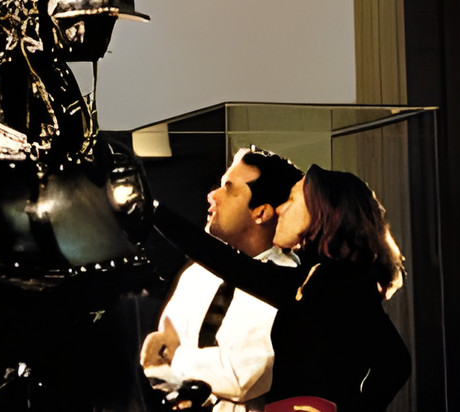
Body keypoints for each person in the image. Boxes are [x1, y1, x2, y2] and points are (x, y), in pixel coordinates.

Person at [155, 164, 411, 412]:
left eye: (291, 200)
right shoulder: (315, 278)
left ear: (319, 211)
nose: (280, 210)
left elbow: (396, 363)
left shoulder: (338, 282)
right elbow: (231, 265)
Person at [142, 147, 303, 411]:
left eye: (228, 188)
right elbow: (156, 358)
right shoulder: (197, 273)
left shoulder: (285, 282)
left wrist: (174, 360)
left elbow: (241, 376)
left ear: (261, 213)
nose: (212, 196)